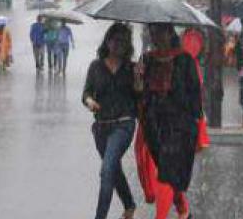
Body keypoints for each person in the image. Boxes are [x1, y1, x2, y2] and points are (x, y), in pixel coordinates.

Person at [137, 23, 202, 219]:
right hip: (154, 124)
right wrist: (138, 81)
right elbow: (140, 92)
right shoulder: (147, 60)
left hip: (179, 124)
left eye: (160, 32)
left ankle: (172, 212)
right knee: (166, 169)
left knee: (167, 169)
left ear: (170, 33)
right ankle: (182, 206)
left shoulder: (184, 59)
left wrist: (195, 122)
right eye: (153, 33)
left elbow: (194, 93)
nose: (157, 37)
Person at [82, 23, 138, 219]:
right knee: (113, 168)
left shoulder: (132, 68)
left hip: (124, 124)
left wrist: (139, 80)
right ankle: (129, 205)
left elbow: (139, 98)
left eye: (123, 41)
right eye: (115, 40)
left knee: (106, 171)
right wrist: (90, 102)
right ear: (107, 41)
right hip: (101, 128)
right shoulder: (96, 66)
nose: (118, 45)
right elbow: (86, 93)